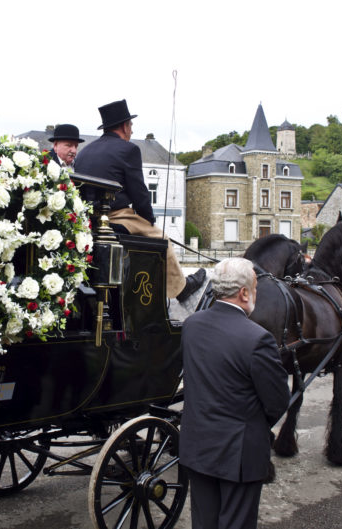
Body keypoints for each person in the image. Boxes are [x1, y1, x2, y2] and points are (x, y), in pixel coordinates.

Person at [180, 257, 290, 529]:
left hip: (198, 446)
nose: (255, 294)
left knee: (204, 523)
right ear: (244, 293)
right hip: (239, 454)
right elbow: (277, 401)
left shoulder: (191, 325)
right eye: (255, 288)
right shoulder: (258, 338)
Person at [75, 99, 205, 302]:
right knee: (162, 239)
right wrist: (148, 221)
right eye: (131, 125)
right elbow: (139, 192)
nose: (132, 131)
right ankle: (181, 289)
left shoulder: (85, 152)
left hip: (87, 219)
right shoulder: (129, 150)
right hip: (115, 216)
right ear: (124, 126)